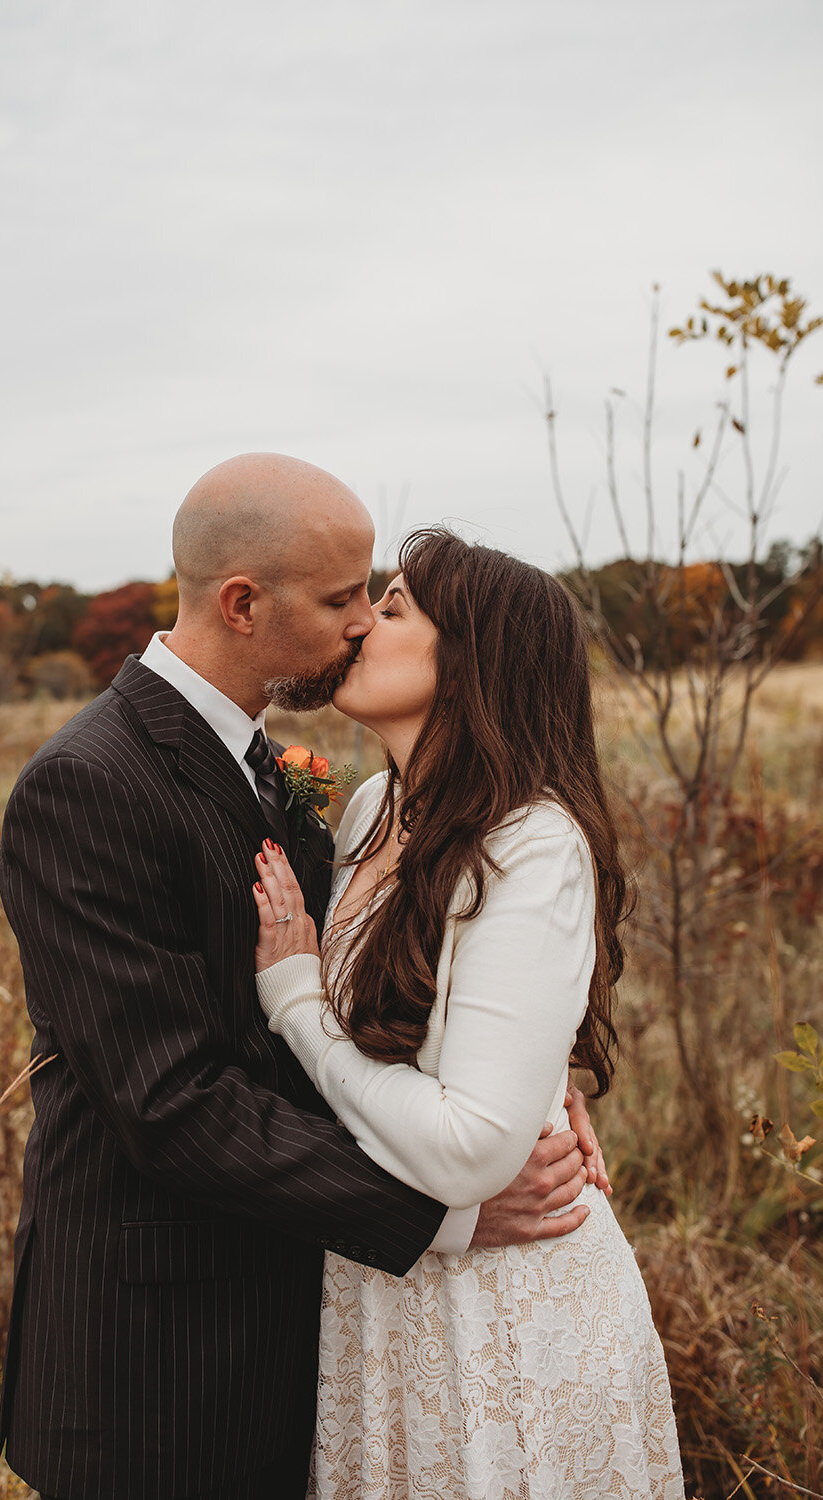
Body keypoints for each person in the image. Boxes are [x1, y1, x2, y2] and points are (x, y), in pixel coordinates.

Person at [0, 455, 604, 1500]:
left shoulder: (297, 776)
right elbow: (171, 1102)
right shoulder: (89, 785)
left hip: (306, 1308)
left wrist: (536, 1082)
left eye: (376, 596)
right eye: (340, 599)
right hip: (159, 1354)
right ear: (242, 604)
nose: (363, 622)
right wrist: (446, 1210)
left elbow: (396, 979)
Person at [252, 527, 686, 1499]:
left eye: (395, 607)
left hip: (511, 1311)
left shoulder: (529, 843)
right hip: (381, 1294)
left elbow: (472, 1153)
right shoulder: (366, 811)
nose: (362, 623)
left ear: (473, 659)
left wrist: (294, 1002)